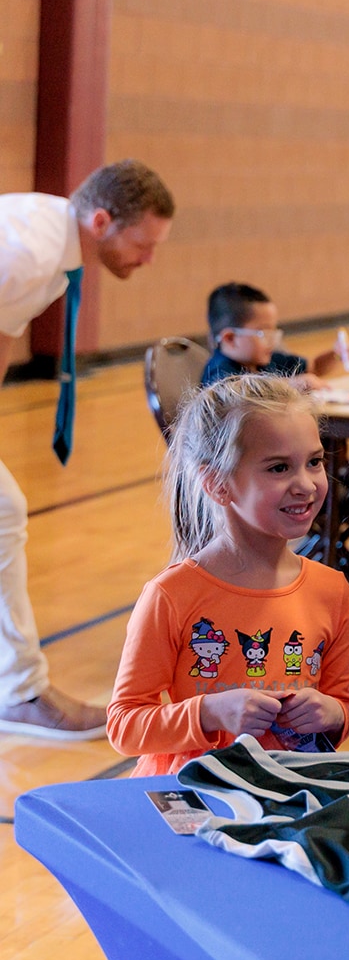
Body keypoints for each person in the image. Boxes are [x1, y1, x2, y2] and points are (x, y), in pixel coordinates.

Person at [0, 159, 174, 738]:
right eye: (143, 245)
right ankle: (20, 691)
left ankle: (17, 688)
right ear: (101, 222)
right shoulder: (28, 251)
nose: (148, 260)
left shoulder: (54, 255)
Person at [107, 375, 349, 776]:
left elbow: (342, 707)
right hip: (196, 792)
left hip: (290, 788)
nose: (306, 484)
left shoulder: (332, 590)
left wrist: (330, 713)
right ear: (218, 484)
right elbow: (125, 725)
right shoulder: (172, 595)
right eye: (279, 468)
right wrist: (210, 712)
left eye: (314, 462)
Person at [200, 282, 318, 389]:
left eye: (273, 333)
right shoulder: (218, 373)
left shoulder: (263, 360)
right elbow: (240, 395)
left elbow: (312, 367)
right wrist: (291, 384)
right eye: (264, 334)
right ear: (230, 338)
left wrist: (331, 354)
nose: (273, 341)